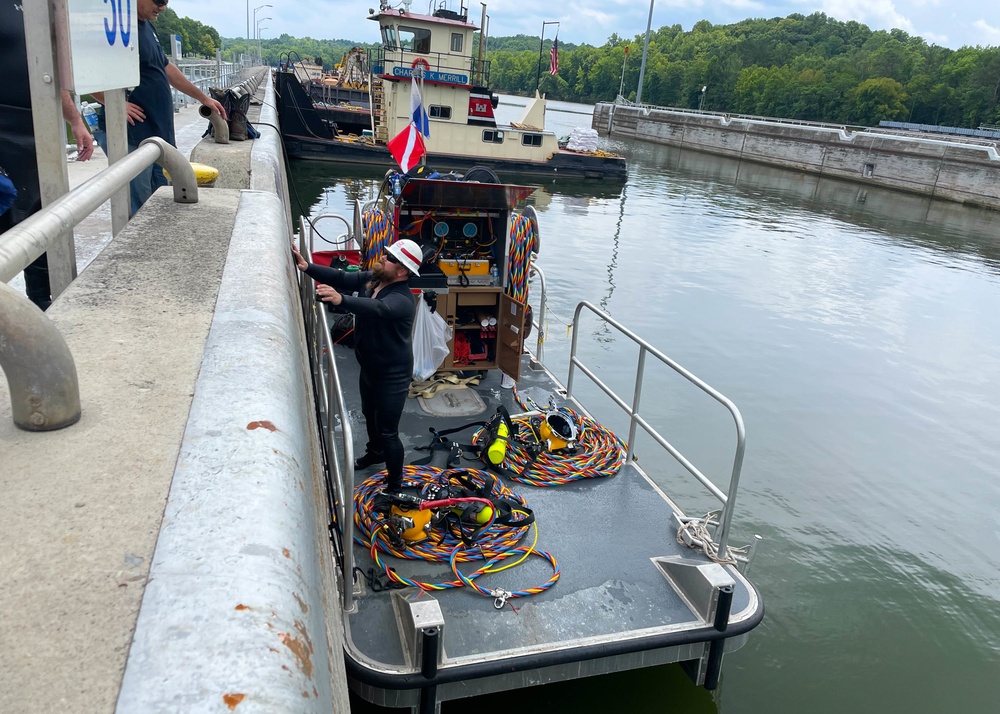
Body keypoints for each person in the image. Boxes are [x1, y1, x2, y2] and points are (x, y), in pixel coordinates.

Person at [292, 240, 423, 493]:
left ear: (403, 271)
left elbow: (379, 308)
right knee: (368, 415)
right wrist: (307, 267)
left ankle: (395, 486)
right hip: (370, 367)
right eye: (386, 254)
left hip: (392, 376)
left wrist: (341, 300)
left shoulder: (402, 299)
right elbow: (341, 276)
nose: (384, 258)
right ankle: (374, 454)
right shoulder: (374, 280)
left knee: (388, 432)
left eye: (391, 258)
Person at [0, 0, 95, 310]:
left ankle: (45, 306)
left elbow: (49, 73)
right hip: (4, 129)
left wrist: (76, 121)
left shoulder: (37, 7)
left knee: (41, 225)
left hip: (41, 129)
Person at [91, 0, 226, 216]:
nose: (162, 7)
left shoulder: (145, 26)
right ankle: (138, 249)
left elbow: (165, 67)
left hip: (157, 132)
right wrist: (115, 104)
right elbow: (85, 72)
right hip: (133, 135)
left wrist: (203, 98)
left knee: (161, 196)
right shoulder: (115, 27)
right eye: (159, 1)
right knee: (139, 205)